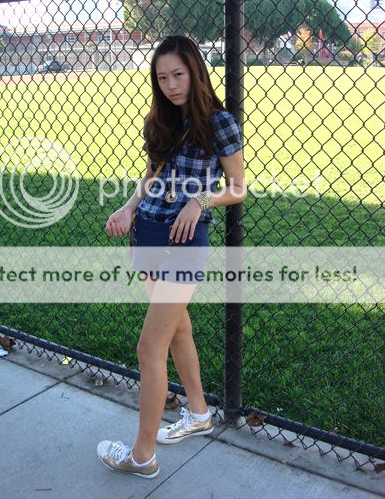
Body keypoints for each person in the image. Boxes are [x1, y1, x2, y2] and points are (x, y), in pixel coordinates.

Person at [97, 35, 246, 478]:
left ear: (195, 72)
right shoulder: (158, 121)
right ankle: (198, 413)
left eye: (178, 75)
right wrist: (126, 207)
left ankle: (141, 455)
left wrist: (199, 201)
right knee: (178, 326)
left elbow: (237, 187)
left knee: (149, 346)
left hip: (184, 241)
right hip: (146, 232)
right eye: (162, 78)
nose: (170, 85)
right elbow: (149, 178)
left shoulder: (219, 123)